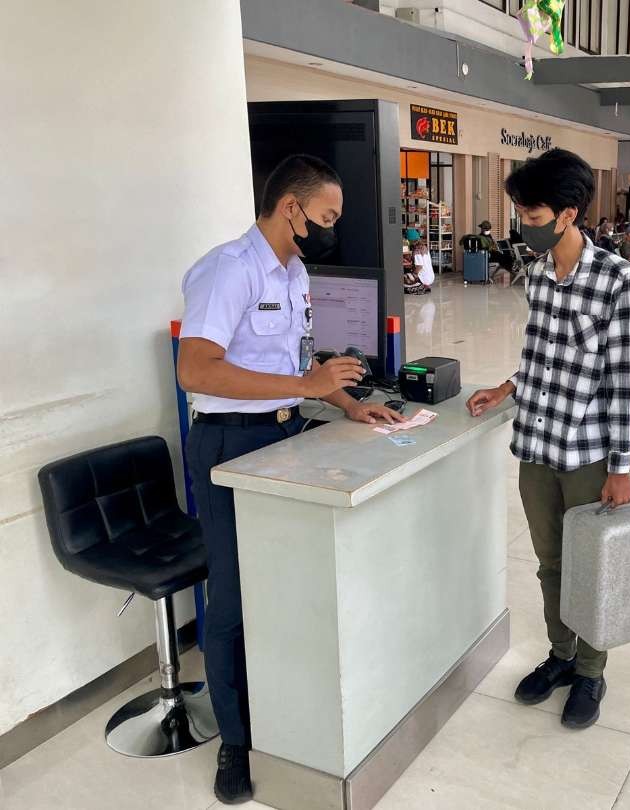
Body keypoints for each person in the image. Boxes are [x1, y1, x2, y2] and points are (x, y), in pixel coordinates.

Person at [177, 155, 407, 803]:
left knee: (280, 587)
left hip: (281, 436)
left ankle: (282, 723)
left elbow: (301, 363)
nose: (332, 227)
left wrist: (346, 403)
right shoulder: (229, 270)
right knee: (232, 601)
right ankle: (233, 743)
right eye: (327, 216)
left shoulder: (297, 270)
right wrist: (304, 386)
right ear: (292, 209)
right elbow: (195, 370)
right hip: (228, 443)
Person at [465, 148, 630, 730]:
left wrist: (621, 465)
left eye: (533, 211)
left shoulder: (616, 280)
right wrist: (504, 388)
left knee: (590, 565)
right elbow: (539, 357)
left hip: (587, 455)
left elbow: (623, 378)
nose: (524, 221)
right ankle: (561, 657)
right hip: (536, 447)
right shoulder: (539, 277)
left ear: (568, 214)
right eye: (519, 209)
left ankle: (591, 671)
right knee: (550, 564)